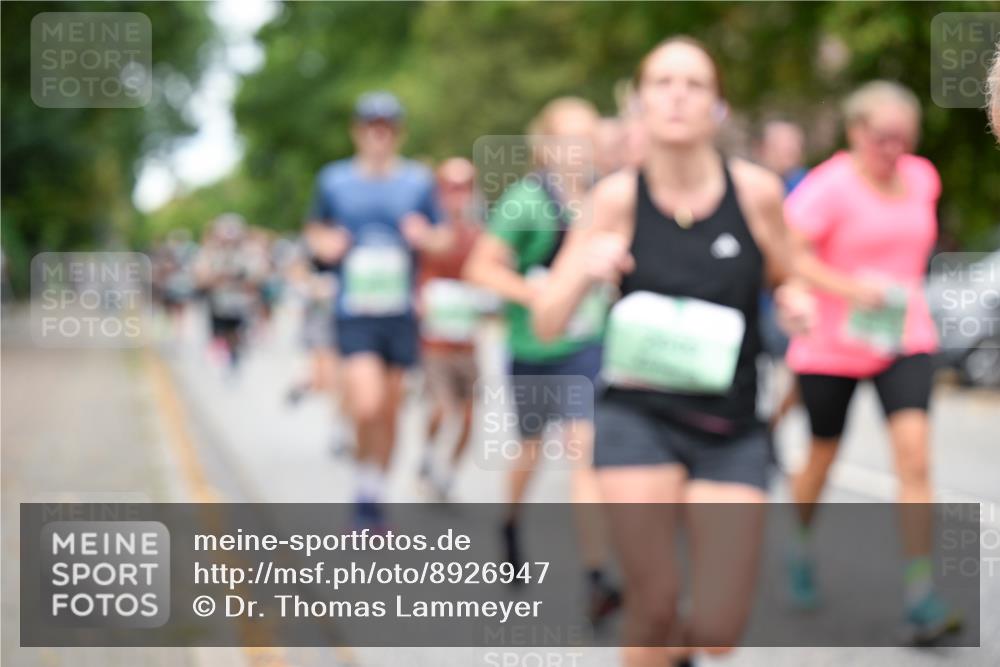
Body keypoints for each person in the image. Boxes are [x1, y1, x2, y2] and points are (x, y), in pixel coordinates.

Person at [532, 37, 813, 665]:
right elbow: (547, 321)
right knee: (655, 603)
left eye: (695, 84)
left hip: (731, 425)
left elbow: (788, 274)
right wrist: (586, 271)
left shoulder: (757, 193)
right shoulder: (615, 200)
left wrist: (795, 301)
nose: (678, 96)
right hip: (638, 419)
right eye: (662, 83)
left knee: (716, 630)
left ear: (718, 106)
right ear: (639, 104)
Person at [783, 80, 961, 643]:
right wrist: (847, 287)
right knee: (822, 458)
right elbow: (787, 252)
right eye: (883, 137)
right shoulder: (827, 185)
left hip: (903, 338)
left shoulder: (922, 177)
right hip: (832, 343)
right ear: (856, 132)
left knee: (915, 460)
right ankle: (798, 544)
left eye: (904, 138)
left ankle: (920, 594)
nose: (894, 150)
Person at [463, 97, 622, 626]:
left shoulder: (606, 199)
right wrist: (542, 296)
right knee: (530, 452)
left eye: (588, 137)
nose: (579, 149)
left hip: (588, 346)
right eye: (568, 138)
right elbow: (481, 268)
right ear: (546, 146)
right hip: (534, 348)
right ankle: (509, 522)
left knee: (585, 449)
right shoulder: (526, 201)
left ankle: (596, 576)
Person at [304, 91, 449, 526]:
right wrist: (325, 244)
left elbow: (443, 237)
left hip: (399, 312)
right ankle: (364, 480)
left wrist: (425, 237)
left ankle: (373, 490)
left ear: (398, 133)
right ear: (358, 131)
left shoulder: (417, 181)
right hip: (355, 310)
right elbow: (314, 231)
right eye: (371, 126)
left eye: (387, 127)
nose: (379, 135)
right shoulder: (334, 180)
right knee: (366, 405)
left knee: (389, 411)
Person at [415, 157, 484, 500]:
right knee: (442, 408)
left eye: (465, 187)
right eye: (451, 187)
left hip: (467, 341)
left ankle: (448, 473)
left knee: (470, 418)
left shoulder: (480, 236)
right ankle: (428, 454)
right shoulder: (429, 234)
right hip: (436, 342)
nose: (459, 195)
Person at [754, 118, 808, 429]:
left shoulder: (809, 187)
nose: (788, 153)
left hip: (796, 296)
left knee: (802, 373)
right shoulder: (749, 186)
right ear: (763, 149)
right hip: (757, 299)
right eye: (780, 147)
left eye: (792, 147)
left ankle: (772, 423)